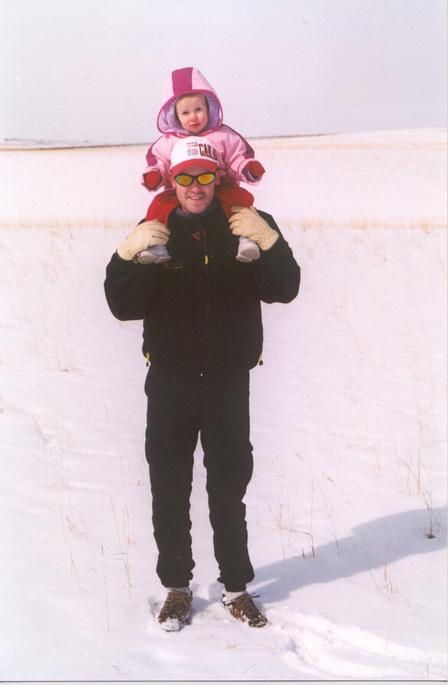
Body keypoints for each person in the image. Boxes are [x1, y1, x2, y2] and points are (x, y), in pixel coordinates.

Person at [104, 136, 300, 632]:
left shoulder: (247, 226)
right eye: (186, 177)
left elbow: (286, 289)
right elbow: (122, 306)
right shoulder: (157, 227)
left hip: (228, 382)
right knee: (169, 486)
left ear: (218, 178)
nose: (196, 187)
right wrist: (125, 256)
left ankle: (236, 587)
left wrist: (272, 244)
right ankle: (176, 587)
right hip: (169, 381)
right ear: (172, 179)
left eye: (205, 177)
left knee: (229, 486)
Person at [137, 66, 265, 265]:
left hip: (220, 186)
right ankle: (156, 245)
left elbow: (237, 156)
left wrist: (246, 167)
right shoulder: (170, 141)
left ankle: (247, 240)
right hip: (181, 189)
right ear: (175, 116)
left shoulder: (223, 136)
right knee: (159, 205)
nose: (193, 117)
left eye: (198, 109)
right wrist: (155, 175)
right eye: (185, 112)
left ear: (209, 108)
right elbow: (158, 160)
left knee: (241, 201)